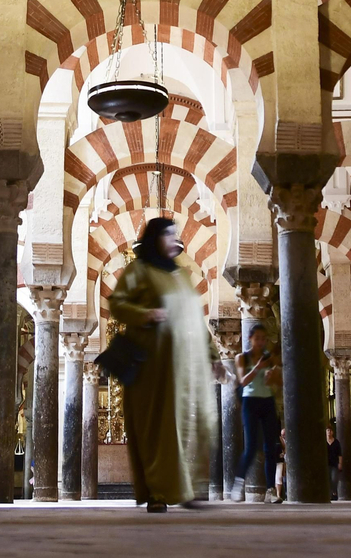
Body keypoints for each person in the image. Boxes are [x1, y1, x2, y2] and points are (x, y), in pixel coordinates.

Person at [107, 217, 226, 512]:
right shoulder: (138, 270)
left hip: (179, 367)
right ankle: (157, 493)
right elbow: (117, 304)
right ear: (155, 239)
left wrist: (213, 356)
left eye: (175, 235)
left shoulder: (180, 275)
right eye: (168, 235)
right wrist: (146, 314)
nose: (174, 240)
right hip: (148, 366)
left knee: (182, 426)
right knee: (154, 430)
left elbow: (194, 320)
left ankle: (181, 488)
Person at [227, 324, 280, 502]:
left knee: (270, 448)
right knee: (250, 447)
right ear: (250, 339)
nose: (260, 342)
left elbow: (279, 382)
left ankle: (271, 490)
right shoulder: (242, 358)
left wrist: (272, 376)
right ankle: (238, 484)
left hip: (267, 402)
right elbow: (243, 381)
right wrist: (258, 367)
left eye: (263, 339)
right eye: (257, 338)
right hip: (250, 403)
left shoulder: (270, 358)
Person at [327, 425, 343, 500]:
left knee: (334, 479)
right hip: (326, 464)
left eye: (330, 430)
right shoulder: (324, 442)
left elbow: (339, 454)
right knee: (328, 479)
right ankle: (330, 494)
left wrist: (340, 463)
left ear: (332, 432)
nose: (329, 432)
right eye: (328, 430)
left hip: (334, 464)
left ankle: (334, 492)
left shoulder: (336, 442)